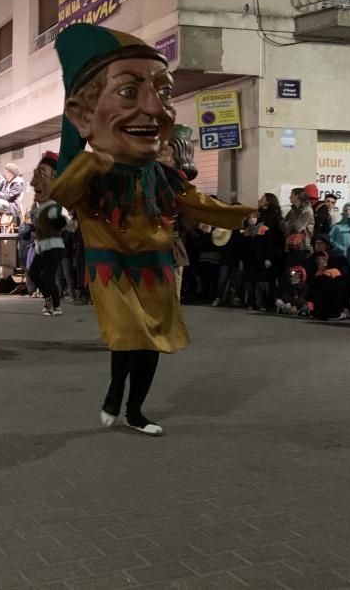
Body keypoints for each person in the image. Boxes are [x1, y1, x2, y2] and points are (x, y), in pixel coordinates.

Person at [49, 24, 253, 436]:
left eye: (164, 93)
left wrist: (240, 214)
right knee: (128, 334)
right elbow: (65, 193)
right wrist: (90, 162)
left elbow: (193, 200)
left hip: (157, 265)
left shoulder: (160, 174)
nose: (156, 109)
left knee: (153, 339)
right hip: (113, 267)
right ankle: (113, 394)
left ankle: (136, 410)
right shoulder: (95, 172)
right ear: (83, 114)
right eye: (129, 92)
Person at [26, 152, 69, 316]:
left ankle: (56, 305)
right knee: (34, 273)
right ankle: (48, 300)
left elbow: (57, 220)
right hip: (42, 245)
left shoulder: (53, 202)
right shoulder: (39, 201)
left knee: (48, 277)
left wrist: (62, 221)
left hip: (54, 245)